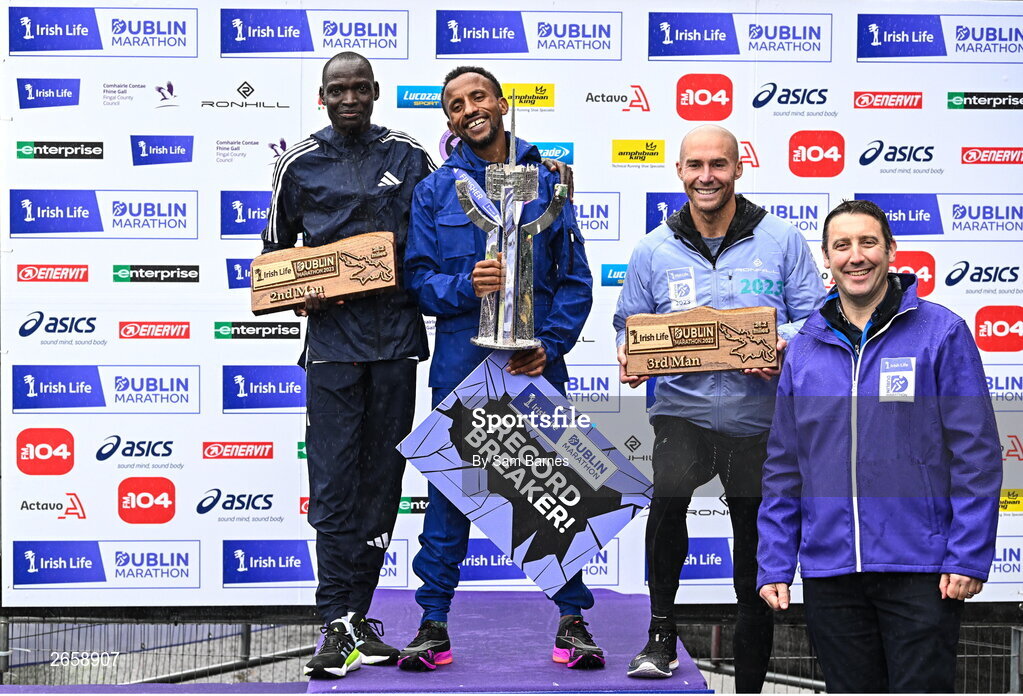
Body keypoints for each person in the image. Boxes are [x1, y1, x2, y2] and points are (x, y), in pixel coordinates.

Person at [757, 199, 1002, 693]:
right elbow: (785, 467)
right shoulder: (805, 346)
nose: (856, 256)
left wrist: (967, 555)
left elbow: (977, 454)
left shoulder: (941, 333)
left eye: (868, 242)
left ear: (890, 250)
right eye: (841, 245)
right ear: (826, 258)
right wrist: (776, 562)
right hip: (831, 572)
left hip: (922, 569)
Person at [401, 65, 600, 672]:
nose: (469, 109)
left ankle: (573, 623)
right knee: (450, 500)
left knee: (552, 497)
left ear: (503, 102)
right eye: (456, 104)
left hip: (531, 366)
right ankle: (432, 623)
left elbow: (574, 281)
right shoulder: (436, 191)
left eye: (478, 96)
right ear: (449, 120)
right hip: (462, 364)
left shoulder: (551, 182)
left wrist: (554, 345)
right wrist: (467, 284)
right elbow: (418, 280)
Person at [612, 124, 824, 685]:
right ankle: (660, 633)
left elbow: (818, 319)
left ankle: (753, 666)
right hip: (682, 411)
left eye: (718, 165)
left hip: (758, 420)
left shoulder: (781, 240)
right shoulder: (652, 249)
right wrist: (628, 355)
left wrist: (784, 344)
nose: (707, 176)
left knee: (755, 540)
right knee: (668, 505)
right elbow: (627, 323)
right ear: (679, 172)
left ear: (737, 169)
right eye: (695, 165)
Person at [260, 51, 435, 679]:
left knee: (382, 485)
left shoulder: (411, 156)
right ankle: (333, 620)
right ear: (322, 96)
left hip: (396, 345)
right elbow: (275, 259)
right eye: (339, 89)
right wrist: (297, 287)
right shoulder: (298, 163)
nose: (350, 98)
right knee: (334, 486)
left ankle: (357, 618)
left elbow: (437, 240)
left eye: (360, 87)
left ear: (377, 91)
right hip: (332, 350)